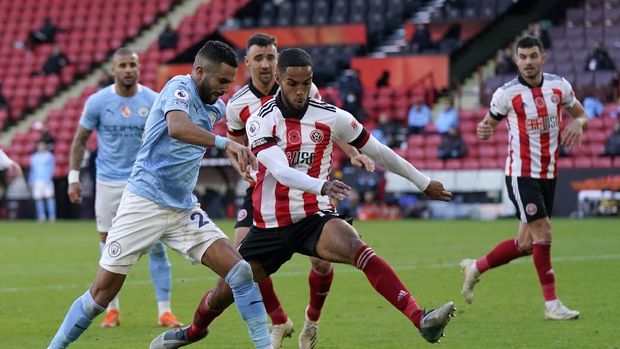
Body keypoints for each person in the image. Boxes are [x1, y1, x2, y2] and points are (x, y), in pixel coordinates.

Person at [150, 48, 455, 349]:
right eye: (292, 83)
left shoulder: (331, 116)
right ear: (280, 80)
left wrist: (423, 182)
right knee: (225, 291)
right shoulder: (260, 121)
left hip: (313, 217)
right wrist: (321, 186)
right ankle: (193, 332)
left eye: (306, 84)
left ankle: (420, 319)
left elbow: (377, 150)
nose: (299, 91)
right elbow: (281, 172)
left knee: (360, 250)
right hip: (271, 224)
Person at [48, 42, 274, 349]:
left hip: (182, 209)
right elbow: (177, 127)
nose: (224, 89)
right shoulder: (178, 87)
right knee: (100, 296)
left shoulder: (216, 107)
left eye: (229, 82)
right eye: (221, 81)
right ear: (199, 72)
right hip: (143, 203)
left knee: (241, 271)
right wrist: (225, 144)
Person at [224, 33, 374, 349]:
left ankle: (312, 322)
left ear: (278, 63)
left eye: (270, 57)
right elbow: (234, 142)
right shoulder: (237, 105)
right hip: (261, 189)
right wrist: (238, 160)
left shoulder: (304, 88)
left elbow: (328, 123)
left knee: (321, 262)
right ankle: (279, 321)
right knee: (242, 259)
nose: (265, 64)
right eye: (259, 58)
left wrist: (352, 152)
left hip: (306, 186)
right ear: (247, 62)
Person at [460, 36, 586, 320]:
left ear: (543, 57)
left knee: (526, 245)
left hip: (549, 173)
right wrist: (484, 130)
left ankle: (475, 268)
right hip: (521, 174)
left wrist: (578, 122)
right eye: (523, 57)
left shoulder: (559, 86)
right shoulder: (506, 94)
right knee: (545, 233)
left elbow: (581, 114)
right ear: (516, 60)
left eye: (533, 56)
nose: (528, 62)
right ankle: (552, 305)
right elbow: (488, 124)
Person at [67, 47, 181, 328]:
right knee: (108, 246)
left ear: (139, 68)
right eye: (123, 65)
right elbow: (80, 138)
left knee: (155, 245)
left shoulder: (153, 100)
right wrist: (73, 177)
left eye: (133, 64)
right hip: (108, 182)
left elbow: (169, 140)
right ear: (113, 70)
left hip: (143, 182)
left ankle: (164, 311)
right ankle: (111, 310)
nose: (128, 69)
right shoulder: (98, 101)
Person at [29, 141, 56, 222]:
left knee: (49, 197)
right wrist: (31, 181)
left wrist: (49, 178)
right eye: (39, 145)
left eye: (42, 145)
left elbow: (52, 168)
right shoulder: (34, 157)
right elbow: (32, 170)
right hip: (37, 180)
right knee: (38, 198)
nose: (40, 147)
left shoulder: (49, 156)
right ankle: (41, 216)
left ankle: (52, 216)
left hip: (47, 180)